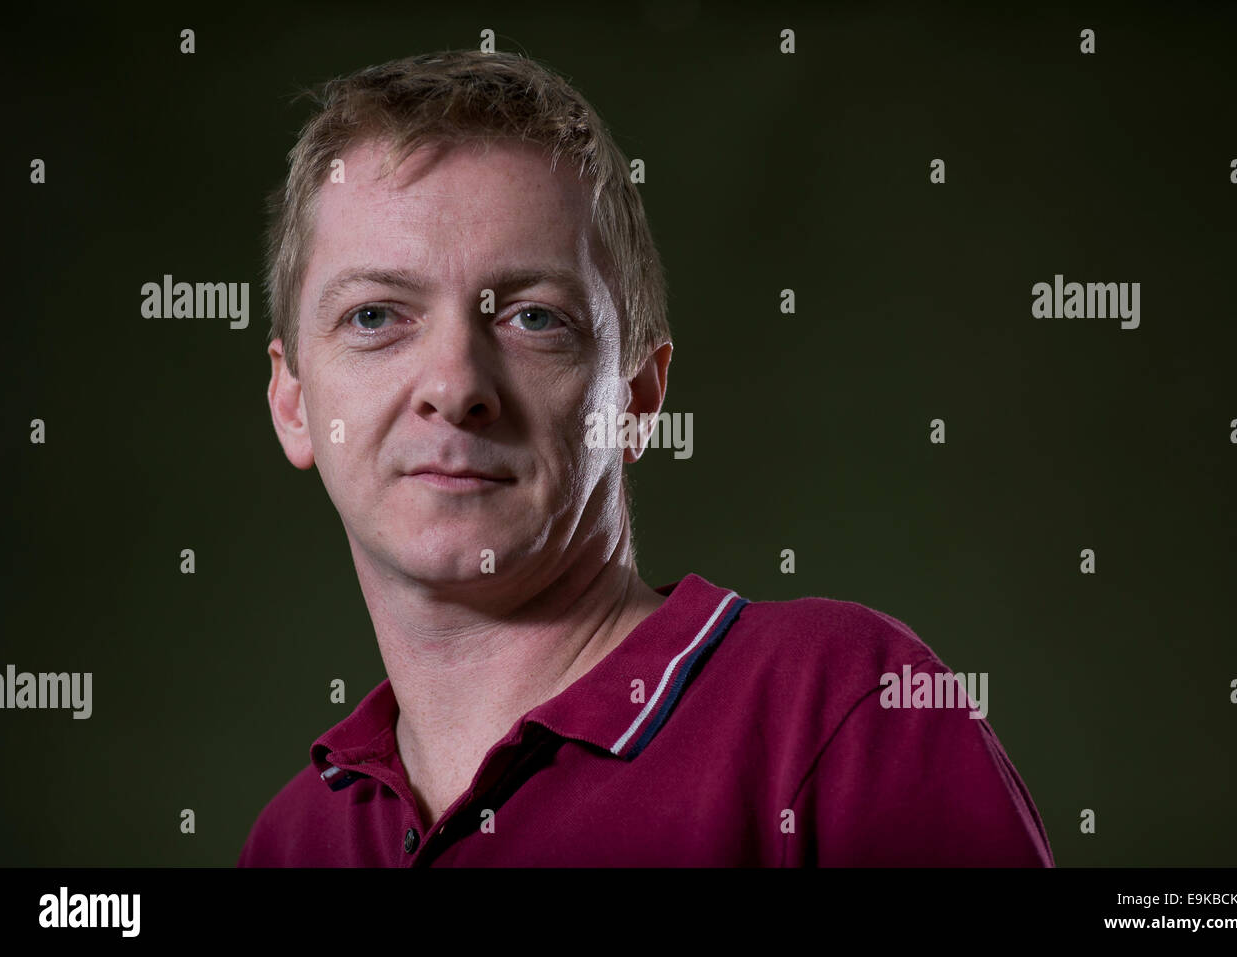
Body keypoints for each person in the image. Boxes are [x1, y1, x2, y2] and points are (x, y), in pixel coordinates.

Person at [238, 49, 1053, 867]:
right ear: (292, 402)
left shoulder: (842, 709)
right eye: (375, 315)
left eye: (533, 318)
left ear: (636, 397)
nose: (455, 386)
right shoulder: (292, 842)